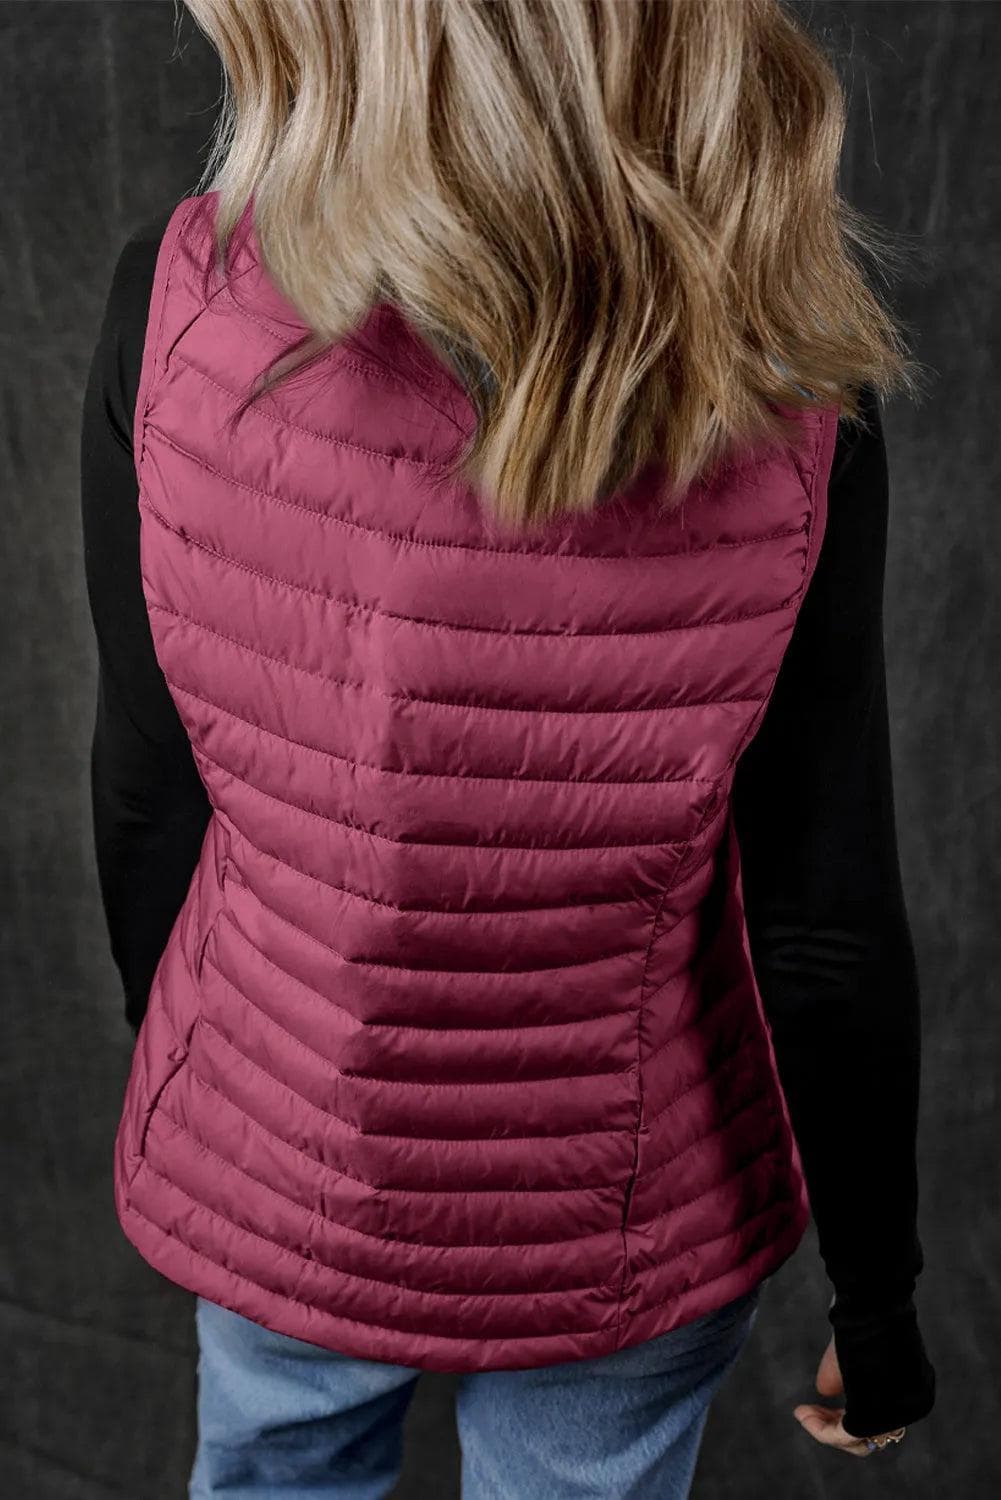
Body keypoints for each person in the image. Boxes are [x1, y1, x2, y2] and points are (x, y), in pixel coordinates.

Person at [80, 2, 936, 1494]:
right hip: (620, 1203)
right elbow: (823, 912)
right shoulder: (794, 383)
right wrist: (876, 1302)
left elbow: (150, 795)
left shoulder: (178, 303)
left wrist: (227, 1110)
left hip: (285, 1151)